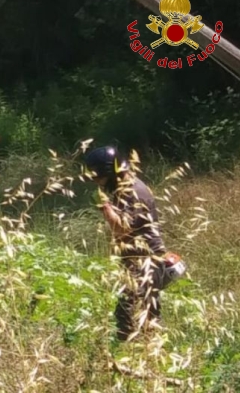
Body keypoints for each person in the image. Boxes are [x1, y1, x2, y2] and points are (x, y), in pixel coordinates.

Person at [84, 145, 167, 341]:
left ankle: (133, 351)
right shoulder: (124, 188)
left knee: (129, 312)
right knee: (141, 310)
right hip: (135, 256)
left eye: (98, 177)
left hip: (145, 258)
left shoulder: (134, 191)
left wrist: (105, 205)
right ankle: (145, 351)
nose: (95, 182)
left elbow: (122, 228)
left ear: (111, 172)